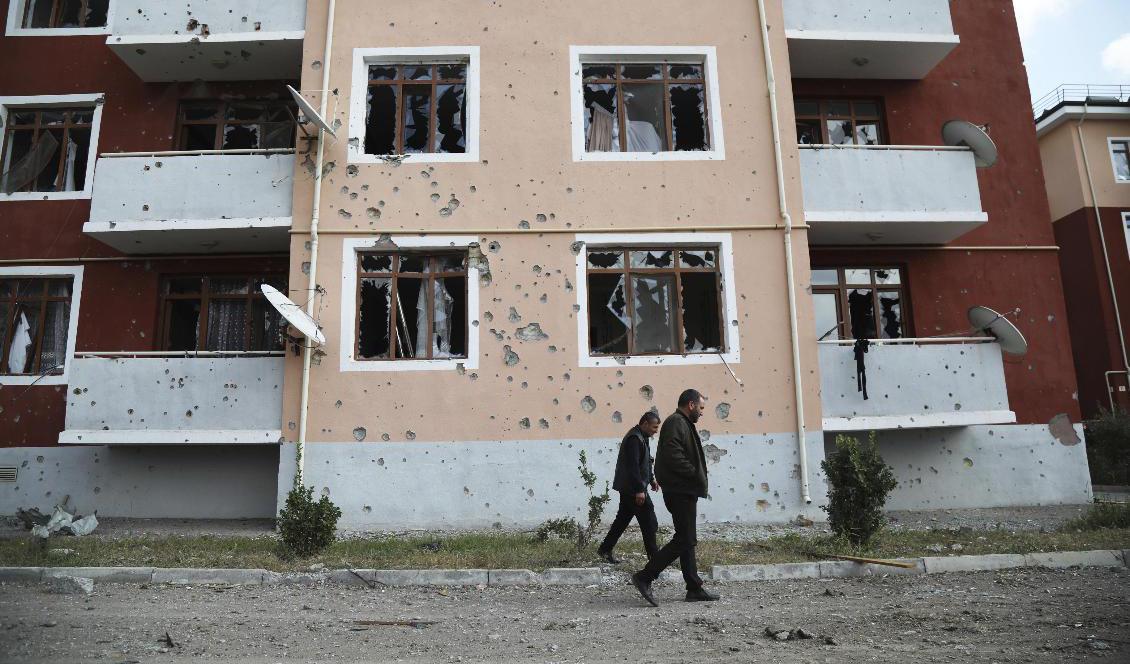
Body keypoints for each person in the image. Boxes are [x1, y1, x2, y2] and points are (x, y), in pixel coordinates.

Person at [631, 389, 720, 605]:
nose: (701, 412)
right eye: (700, 408)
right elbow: (673, 456)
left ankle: (694, 587)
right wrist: (694, 473)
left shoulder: (681, 422)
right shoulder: (675, 422)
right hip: (680, 490)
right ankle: (645, 576)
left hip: (684, 490)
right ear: (691, 405)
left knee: (686, 539)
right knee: (685, 539)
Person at [597, 412, 661, 564]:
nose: (656, 430)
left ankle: (605, 549)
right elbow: (632, 467)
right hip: (633, 489)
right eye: (654, 427)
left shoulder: (642, 437)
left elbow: (645, 461)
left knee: (622, 520)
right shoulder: (634, 438)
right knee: (649, 522)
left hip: (632, 487)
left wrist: (651, 479)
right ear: (645, 423)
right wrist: (639, 490)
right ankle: (655, 560)